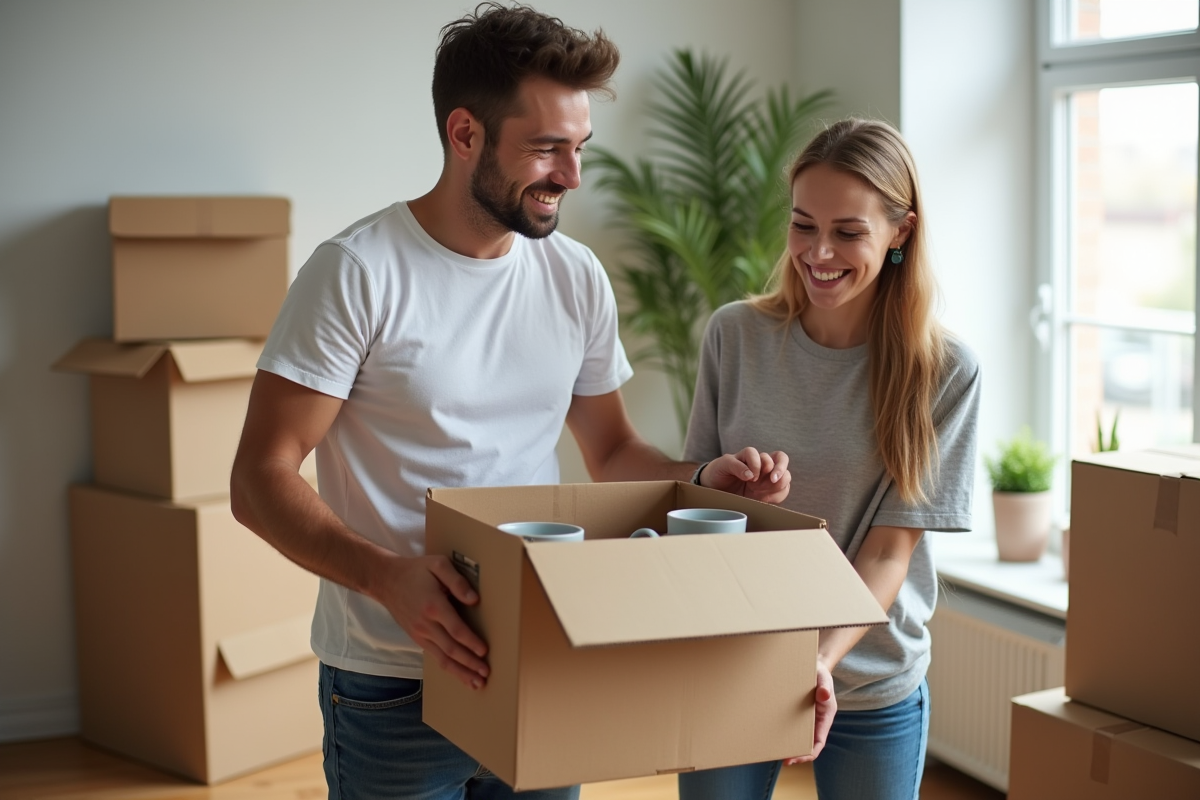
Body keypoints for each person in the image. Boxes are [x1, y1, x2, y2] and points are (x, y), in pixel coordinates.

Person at [229, 4, 790, 799]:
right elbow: (259, 478)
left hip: (539, 659)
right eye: (547, 149)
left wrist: (703, 480)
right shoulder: (357, 271)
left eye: (581, 147)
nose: (573, 175)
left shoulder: (575, 277)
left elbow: (614, 453)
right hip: (396, 678)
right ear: (466, 135)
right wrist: (391, 578)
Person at [676, 118, 981, 800]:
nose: (818, 252)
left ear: (901, 230)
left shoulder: (945, 372)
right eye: (802, 224)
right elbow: (688, 495)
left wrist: (816, 662)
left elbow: (889, 552)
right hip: (734, 664)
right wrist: (722, 487)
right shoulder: (735, 334)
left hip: (871, 680)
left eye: (848, 232)